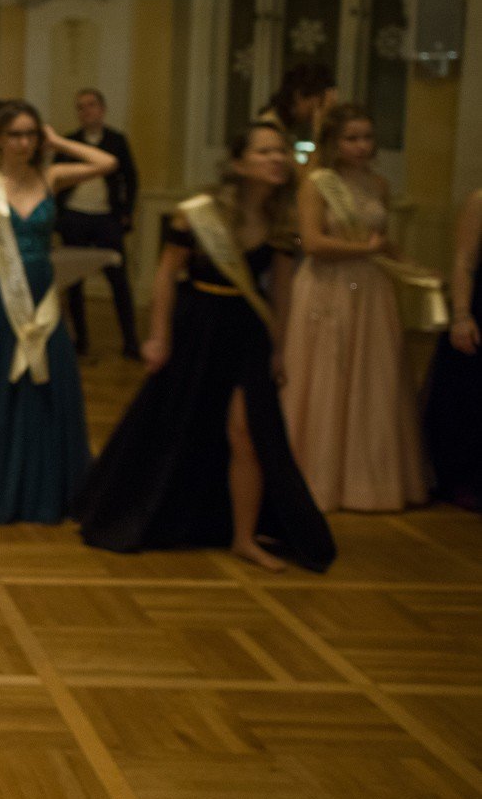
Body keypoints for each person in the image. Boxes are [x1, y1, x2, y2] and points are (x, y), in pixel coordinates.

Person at [77, 122, 335, 572]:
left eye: (281, 151)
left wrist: (280, 349)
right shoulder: (199, 212)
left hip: (247, 331)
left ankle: (244, 537)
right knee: (177, 424)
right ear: (239, 163)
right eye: (265, 152)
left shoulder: (282, 220)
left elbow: (282, 291)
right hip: (198, 327)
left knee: (247, 433)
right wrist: (158, 336)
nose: (277, 159)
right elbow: (165, 275)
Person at [0, 100, 115, 524]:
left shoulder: (51, 176)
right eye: (15, 134)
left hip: (39, 292)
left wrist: (58, 142)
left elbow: (107, 163)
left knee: (41, 379)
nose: (24, 143)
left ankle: (40, 488)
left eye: (30, 134)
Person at [282, 103, 426, 512]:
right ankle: (317, 477)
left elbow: (383, 240)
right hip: (328, 288)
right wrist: (364, 250)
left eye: (367, 137)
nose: (362, 146)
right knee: (328, 376)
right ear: (333, 141)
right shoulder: (317, 184)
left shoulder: (379, 184)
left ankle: (366, 481)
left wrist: (413, 268)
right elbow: (312, 243)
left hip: (372, 292)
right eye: (352, 138)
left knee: (371, 382)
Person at [55, 88, 141, 359]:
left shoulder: (117, 140)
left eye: (91, 105)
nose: (86, 111)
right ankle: (80, 341)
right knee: (75, 282)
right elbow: (55, 182)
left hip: (106, 218)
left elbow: (131, 178)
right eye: (80, 107)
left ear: (102, 109)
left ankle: (131, 342)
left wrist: (126, 211)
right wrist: (59, 216)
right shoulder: (69, 143)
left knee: (119, 280)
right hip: (75, 216)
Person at [423, 188, 482, 510]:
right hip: (478, 311)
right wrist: (461, 315)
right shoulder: (480, 201)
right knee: (469, 400)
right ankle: (464, 481)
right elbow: (464, 261)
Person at [257, 62, 336, 158]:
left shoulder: (284, 128)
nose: (323, 112)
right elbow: (308, 169)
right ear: (299, 96)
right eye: (320, 104)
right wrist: (318, 131)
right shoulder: (270, 129)